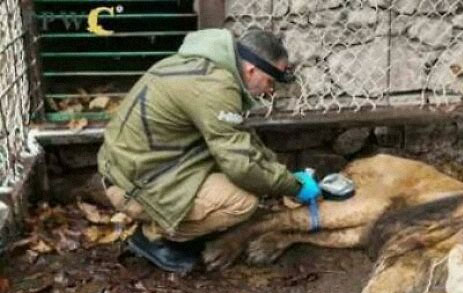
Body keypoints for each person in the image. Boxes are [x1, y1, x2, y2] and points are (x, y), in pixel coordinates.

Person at [97, 27, 321, 273]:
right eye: (270, 81)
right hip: (134, 183)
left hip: (141, 166)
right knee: (242, 202)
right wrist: (294, 187)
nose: (270, 91)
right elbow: (241, 166)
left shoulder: (205, 66)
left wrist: (282, 173)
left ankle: (174, 222)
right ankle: (154, 236)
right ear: (251, 70)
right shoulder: (216, 87)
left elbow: (242, 140)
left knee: (237, 173)